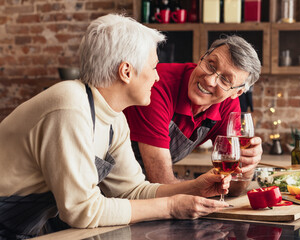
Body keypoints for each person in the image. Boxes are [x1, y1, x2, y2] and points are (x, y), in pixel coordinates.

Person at [0, 14, 231, 238]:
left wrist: (194, 188)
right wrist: (170, 207)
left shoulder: (114, 116)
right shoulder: (70, 106)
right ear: (126, 71)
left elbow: (133, 191)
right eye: (153, 68)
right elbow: (82, 211)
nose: (157, 78)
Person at [123, 35, 263, 193]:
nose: (210, 80)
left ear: (236, 92)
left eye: (225, 80)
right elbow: (161, 181)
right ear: (201, 58)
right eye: (210, 65)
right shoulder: (158, 85)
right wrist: (206, 186)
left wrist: (248, 167)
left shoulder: (228, 106)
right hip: (110, 185)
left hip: (148, 192)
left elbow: (235, 187)